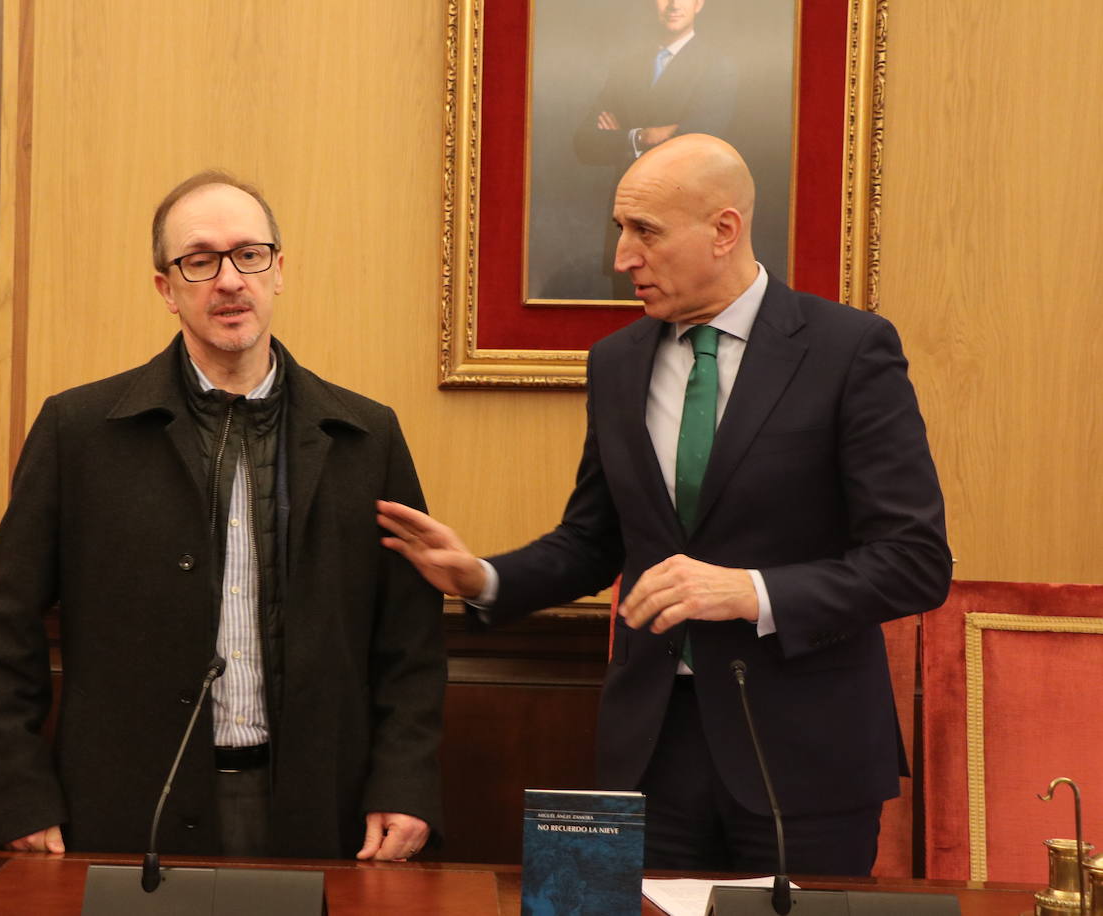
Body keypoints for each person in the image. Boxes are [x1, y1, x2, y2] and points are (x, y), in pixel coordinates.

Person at [378, 135, 951, 875]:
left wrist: (746, 591)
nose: (622, 258)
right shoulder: (616, 362)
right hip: (651, 752)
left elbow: (913, 563)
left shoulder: (849, 350)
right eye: (620, 230)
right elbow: (594, 539)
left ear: (723, 231)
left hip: (804, 757)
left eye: (645, 231)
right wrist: (483, 578)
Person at [0, 171, 445, 862]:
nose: (229, 280)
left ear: (279, 271)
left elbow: (411, 644)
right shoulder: (79, 433)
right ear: (166, 287)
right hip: (125, 811)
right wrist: (18, 794)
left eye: (249, 254)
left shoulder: (366, 437)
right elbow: (3, 635)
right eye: (200, 260)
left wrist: (406, 782)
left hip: (318, 810)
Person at [576, 0, 737, 168]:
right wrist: (640, 137)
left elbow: (698, 144)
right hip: (625, 192)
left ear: (699, 4)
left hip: (680, 192)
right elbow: (584, 142)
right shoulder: (627, 67)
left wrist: (621, 138)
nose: (674, 4)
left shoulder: (717, 67)